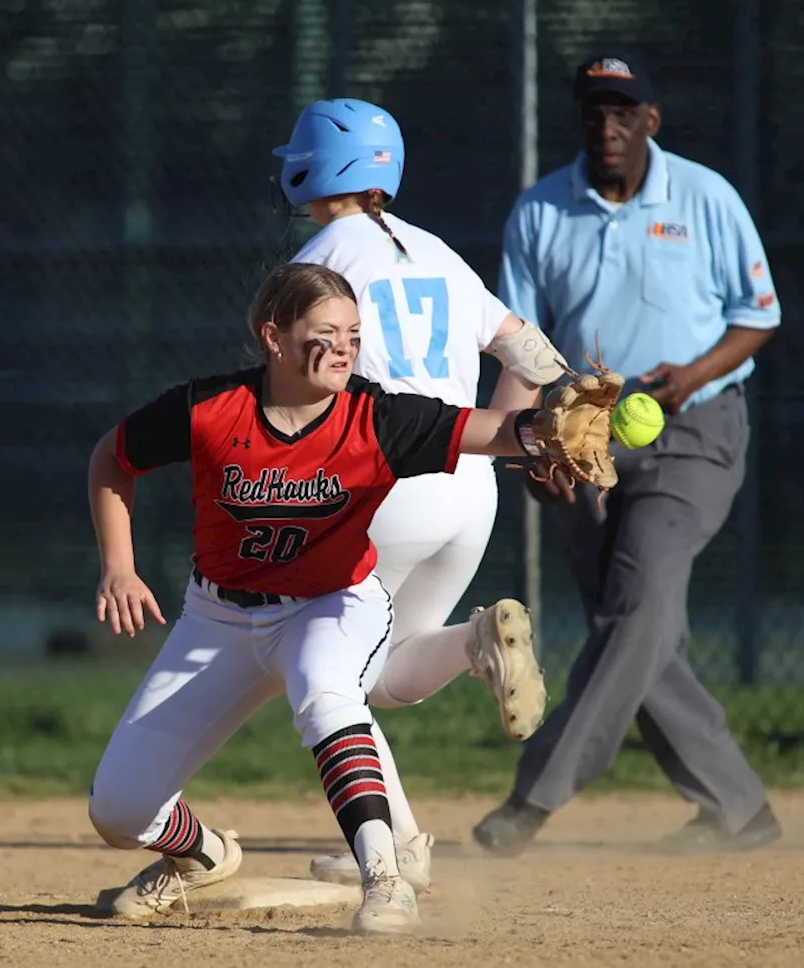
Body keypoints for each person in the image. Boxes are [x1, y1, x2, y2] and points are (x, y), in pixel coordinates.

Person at [85, 261, 606, 934]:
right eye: (324, 332)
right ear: (272, 336)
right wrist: (119, 567)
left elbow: (491, 430)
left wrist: (542, 432)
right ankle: (203, 855)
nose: (343, 347)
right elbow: (112, 457)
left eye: (354, 334)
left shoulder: (375, 417)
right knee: (119, 811)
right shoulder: (210, 409)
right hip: (217, 616)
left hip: (331, 605)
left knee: (324, 689)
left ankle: (386, 881)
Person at [471, 49, 784, 857]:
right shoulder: (541, 212)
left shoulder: (705, 196)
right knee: (636, 630)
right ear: (578, 121)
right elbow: (517, 348)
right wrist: (531, 449)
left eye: (623, 112)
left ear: (651, 119)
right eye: (593, 112)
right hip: (583, 440)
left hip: (697, 431)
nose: (606, 127)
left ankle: (531, 804)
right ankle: (740, 811)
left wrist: (690, 377)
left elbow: (758, 316)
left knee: (636, 606)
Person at [268, 97, 568, 891]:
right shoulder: (432, 248)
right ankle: (477, 645)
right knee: (385, 671)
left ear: (314, 167)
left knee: (325, 664)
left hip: (384, 481)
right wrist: (529, 426)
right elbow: (528, 350)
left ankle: (395, 845)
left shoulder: (320, 263)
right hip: (471, 485)